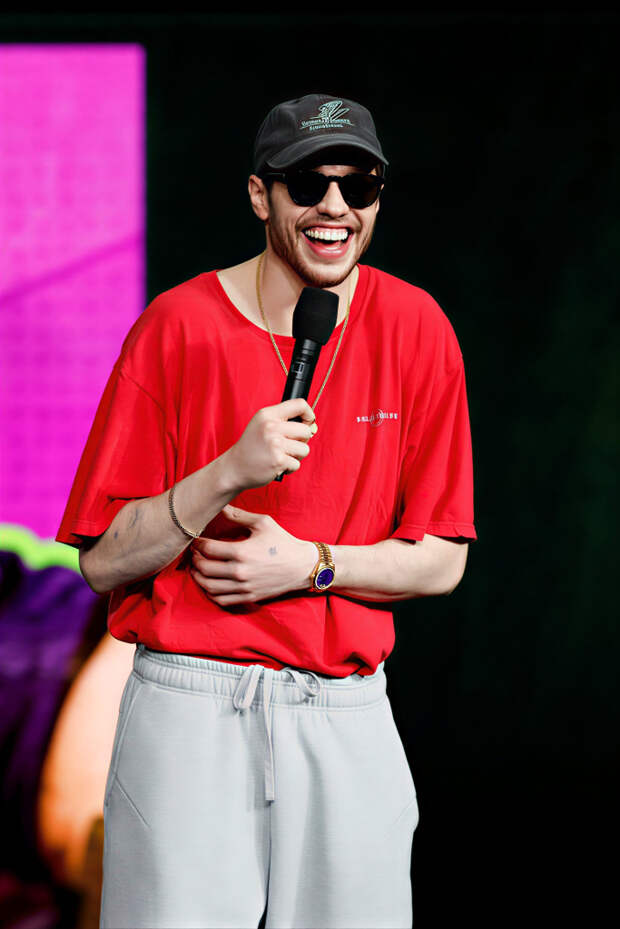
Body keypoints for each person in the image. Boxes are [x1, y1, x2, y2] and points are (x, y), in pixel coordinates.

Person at [56, 92, 477, 929]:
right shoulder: (175, 327)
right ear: (261, 195)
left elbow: (443, 557)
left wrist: (312, 564)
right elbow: (101, 560)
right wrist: (227, 472)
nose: (336, 207)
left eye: (359, 186)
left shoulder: (417, 326)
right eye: (309, 184)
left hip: (344, 710)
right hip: (190, 706)